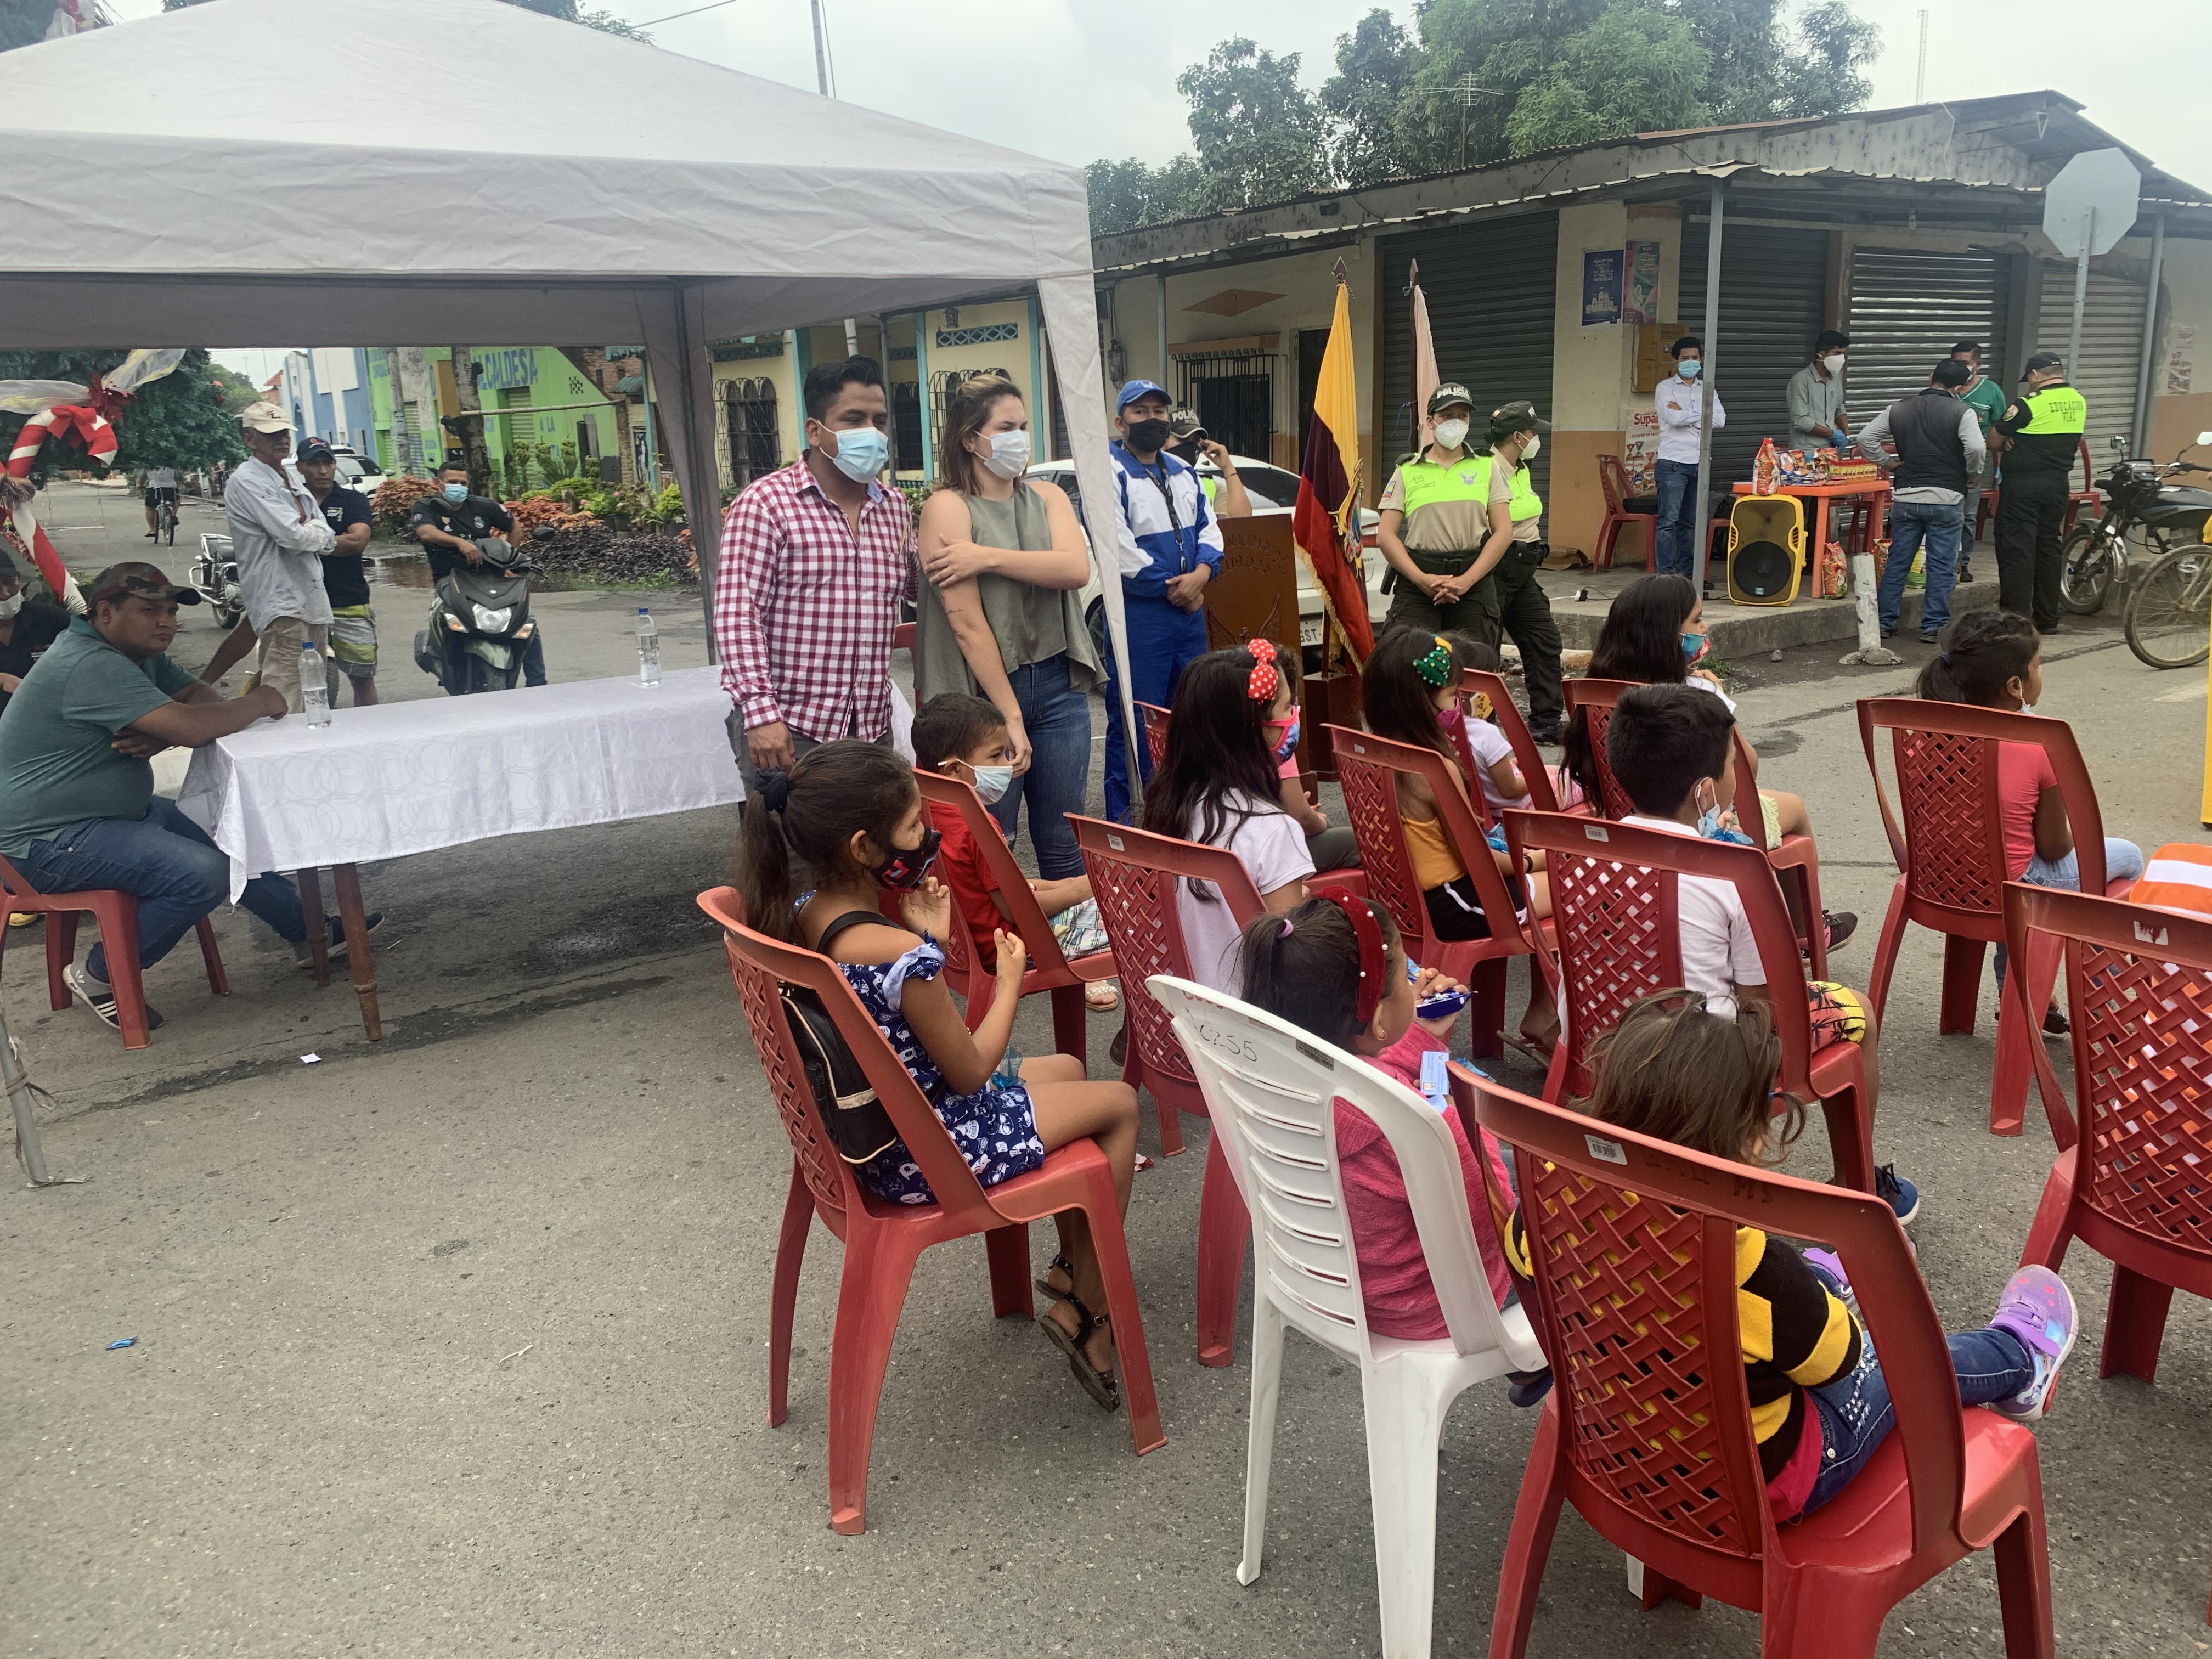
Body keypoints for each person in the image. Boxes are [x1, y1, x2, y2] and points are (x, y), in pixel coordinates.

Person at [1503, 990, 2076, 1523]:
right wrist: (1823, 1307)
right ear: (1748, 1137)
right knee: (1894, 1361)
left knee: (1780, 1325)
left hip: (1620, 1453)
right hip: (1761, 1485)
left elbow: (1520, 1263)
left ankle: (1825, 1282)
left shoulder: (1545, 1205)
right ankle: (2017, 1358)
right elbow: (1840, 1362)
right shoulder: (1751, 1267)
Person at [733, 739, 1139, 1408]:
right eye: (914, 827)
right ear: (862, 848)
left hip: (880, 1128)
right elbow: (972, 1071)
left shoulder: (803, 913)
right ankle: (1090, 1313)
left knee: (1070, 1067)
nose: (927, 839)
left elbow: (894, 1030)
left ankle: (1072, 1271)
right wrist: (1007, 982)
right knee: (1119, 1104)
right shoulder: (897, 954)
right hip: (933, 1148)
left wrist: (933, 941)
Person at [0, 563, 373, 1031]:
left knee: (228, 828)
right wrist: (260, 700)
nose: (166, 622)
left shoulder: (134, 654)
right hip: (46, 841)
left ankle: (310, 933)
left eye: (172, 612)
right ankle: (99, 974)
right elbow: (196, 726)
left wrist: (170, 730)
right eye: (149, 610)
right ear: (105, 612)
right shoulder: (89, 662)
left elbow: (196, 697)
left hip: (112, 815)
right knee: (202, 873)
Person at [1602, 683, 1911, 1221]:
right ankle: (1853, 1184)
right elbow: (1763, 1002)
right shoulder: (1732, 872)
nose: (1736, 776)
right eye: (1731, 766)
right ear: (1705, 792)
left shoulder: (1587, 853)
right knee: (1856, 1008)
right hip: (1708, 1061)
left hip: (1613, 1036)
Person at [1234, 889, 1523, 1329]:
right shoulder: (1421, 1122)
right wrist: (1466, 1118)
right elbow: (1491, 1221)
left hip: (1341, 1286)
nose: (1416, 983)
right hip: (1441, 1306)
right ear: (1379, 1020)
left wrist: (1425, 1038)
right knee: (1559, 1186)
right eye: (1406, 977)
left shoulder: (1271, 1078)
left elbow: (1381, 1074)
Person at [1561, 573, 1853, 950]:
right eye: (1697, 620)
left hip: (1625, 816)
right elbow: (1746, 768)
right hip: (1697, 821)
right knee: (1793, 807)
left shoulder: (1592, 688)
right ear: (1669, 635)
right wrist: (1718, 699)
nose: (1704, 628)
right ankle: (1807, 932)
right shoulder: (1698, 693)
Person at [913, 376, 1103, 885]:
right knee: (993, 842)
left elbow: (1074, 569)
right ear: (970, 438)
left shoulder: (1047, 496)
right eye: (1005, 428)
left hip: (1058, 683)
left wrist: (985, 557)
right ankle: (999, 936)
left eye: (1023, 426)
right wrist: (1009, 717)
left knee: (1064, 839)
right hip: (982, 696)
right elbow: (967, 624)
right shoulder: (946, 507)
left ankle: (1069, 935)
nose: (1020, 438)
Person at [1916, 610, 2145, 1028]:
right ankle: (2107, 1006)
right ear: (2014, 686)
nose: (2042, 672)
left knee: (2010, 870)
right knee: (2127, 856)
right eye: (2039, 665)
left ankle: (2019, 994)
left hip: (1941, 879)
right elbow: (2055, 848)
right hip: (2014, 886)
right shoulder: (2037, 743)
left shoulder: (1925, 733)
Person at [716, 357, 915, 798]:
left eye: (880, 420)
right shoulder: (766, 504)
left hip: (871, 731)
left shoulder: (894, 508)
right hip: (792, 733)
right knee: (792, 845)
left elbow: (917, 588)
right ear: (815, 431)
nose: (872, 432)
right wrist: (761, 714)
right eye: (854, 419)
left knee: (868, 843)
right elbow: (738, 615)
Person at [1361, 629, 1559, 1048]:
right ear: (1423, 701)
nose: (1456, 707)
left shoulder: (1373, 750)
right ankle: (1550, 1017)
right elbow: (1477, 863)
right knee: (1575, 886)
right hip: (1456, 901)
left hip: (1411, 899)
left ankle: (1541, 1016)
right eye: (1452, 696)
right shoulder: (1433, 767)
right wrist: (1538, 860)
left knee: (1559, 879)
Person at [908, 691, 1117, 1012]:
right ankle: (1143, 1034)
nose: (1008, 764)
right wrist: (1083, 890)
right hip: (1012, 948)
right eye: (996, 756)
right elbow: (1015, 908)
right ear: (953, 770)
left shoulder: (923, 811)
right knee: (1137, 918)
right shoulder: (975, 824)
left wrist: (1073, 884)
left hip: (963, 949)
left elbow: (993, 891)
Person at [1143, 642, 1316, 990]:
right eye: (1287, 707)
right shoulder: (1273, 830)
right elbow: (1288, 965)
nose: (1294, 716)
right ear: (1254, 729)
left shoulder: (1171, 810)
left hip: (1178, 1010)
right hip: (1249, 1016)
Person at [1101, 380, 1222, 822]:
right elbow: (1118, 551)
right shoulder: (1107, 473)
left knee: (1193, 717)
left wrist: (1202, 575)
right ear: (1121, 423)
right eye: (1140, 412)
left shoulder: (1184, 471)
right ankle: (1132, 825)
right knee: (1135, 726)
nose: (1152, 419)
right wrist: (1179, 590)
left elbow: (1210, 530)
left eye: (1158, 411)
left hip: (1188, 618)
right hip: (1142, 618)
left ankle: (1186, 818)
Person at [201, 439, 381, 704]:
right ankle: (199, 685)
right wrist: (309, 537)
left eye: (328, 463)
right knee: (251, 637)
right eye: (314, 464)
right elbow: (287, 536)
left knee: (362, 676)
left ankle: (370, 727)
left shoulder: (352, 500)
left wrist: (303, 539)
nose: (322, 470)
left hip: (347, 597)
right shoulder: (284, 498)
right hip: (290, 594)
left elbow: (357, 541)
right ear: (300, 467)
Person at [1857, 359, 1986, 645]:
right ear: (1959, 387)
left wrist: (1887, 463)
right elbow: (1976, 447)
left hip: (1906, 497)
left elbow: (1865, 438)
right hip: (1947, 498)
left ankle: (1885, 622)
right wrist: (1973, 472)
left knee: (1898, 561)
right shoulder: (1962, 411)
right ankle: (1933, 626)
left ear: (1931, 378)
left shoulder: (1898, 409)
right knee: (1941, 564)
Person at [222, 402, 333, 714]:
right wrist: (314, 530)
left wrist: (313, 531)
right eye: (271, 434)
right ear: (250, 440)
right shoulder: (248, 480)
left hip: (309, 597)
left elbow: (327, 538)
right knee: (286, 695)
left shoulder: (287, 476)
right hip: (280, 600)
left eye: (284, 432)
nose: (282, 439)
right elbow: (293, 537)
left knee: (314, 691)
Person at [1468, 400, 1565, 743]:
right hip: (1495, 571)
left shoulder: (1521, 467)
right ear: (1517, 437)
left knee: (1545, 641)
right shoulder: (1485, 468)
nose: (1536, 438)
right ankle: (1482, 728)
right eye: (1532, 432)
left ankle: (1546, 722)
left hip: (1523, 573)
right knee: (1485, 650)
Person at [408, 456, 546, 691]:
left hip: (491, 576)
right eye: (452, 482)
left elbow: (514, 526)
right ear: (437, 483)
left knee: (526, 622)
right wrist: (459, 542)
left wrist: (510, 561)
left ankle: (538, 683)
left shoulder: (484, 506)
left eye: (463, 483)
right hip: (450, 577)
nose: (459, 487)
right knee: (452, 620)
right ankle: (445, 661)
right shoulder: (426, 506)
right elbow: (426, 533)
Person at [1376, 383, 1493, 638]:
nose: (1456, 422)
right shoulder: (1408, 469)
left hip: (1472, 581)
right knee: (1406, 655)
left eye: (1463, 416)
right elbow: (1385, 535)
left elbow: (1504, 532)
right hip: (1418, 581)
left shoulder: (1487, 466)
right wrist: (1421, 580)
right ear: (1430, 422)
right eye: (1447, 416)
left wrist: (1466, 581)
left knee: (1474, 658)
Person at [1992, 353, 2087, 634]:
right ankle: (2047, 618)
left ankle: (2016, 622)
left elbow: (1993, 440)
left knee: (2017, 549)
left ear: (2034, 375)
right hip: (2057, 485)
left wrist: (2010, 438)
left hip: (2023, 487)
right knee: (2048, 548)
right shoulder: (2078, 400)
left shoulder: (2027, 403)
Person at [1652, 338, 1725, 585]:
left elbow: (1720, 420)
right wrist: (1702, 415)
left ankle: (1687, 575)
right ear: (1676, 361)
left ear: (1701, 360)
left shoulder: (1707, 389)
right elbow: (1674, 419)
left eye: (1695, 358)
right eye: (1685, 358)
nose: (1691, 362)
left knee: (1691, 524)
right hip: (1673, 464)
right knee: (1668, 523)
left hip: (1699, 464)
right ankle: (1665, 577)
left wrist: (1687, 414)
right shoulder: (1665, 388)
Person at [1951, 341, 2008, 583]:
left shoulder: (1991, 391)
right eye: (1955, 363)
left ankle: (1962, 564)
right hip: (1944, 462)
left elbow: (2002, 428)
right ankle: (1938, 562)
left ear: (1978, 364)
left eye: (1965, 364)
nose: (1960, 369)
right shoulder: (1945, 387)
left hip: (1973, 466)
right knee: (1943, 515)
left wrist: (2001, 469)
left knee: (1968, 517)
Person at [0, 556, 69, 718]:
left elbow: (91, 648)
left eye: (9, 583)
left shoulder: (50, 618)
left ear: (18, 577)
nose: (5, 594)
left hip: (51, 716)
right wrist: (3, 680)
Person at [1166, 407, 1253, 518]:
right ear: (1163, 441)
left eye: (1196, 441)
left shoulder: (1208, 486)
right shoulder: (1150, 483)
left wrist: (1227, 467)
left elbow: (1242, 519)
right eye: (1183, 439)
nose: (1190, 447)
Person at [1786, 330, 1853, 452]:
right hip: (1806, 451)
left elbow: (1839, 410)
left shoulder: (1835, 379)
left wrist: (1846, 435)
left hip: (1830, 449)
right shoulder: (1801, 380)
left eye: (1843, 354)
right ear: (1822, 354)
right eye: (1837, 353)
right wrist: (1832, 434)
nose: (1841, 359)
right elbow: (1800, 420)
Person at [140, 466, 179, 539]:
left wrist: (141, 486)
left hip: (155, 489)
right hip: (171, 488)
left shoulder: (148, 464)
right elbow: (177, 477)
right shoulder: (171, 463)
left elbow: (143, 476)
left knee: (150, 508)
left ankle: (152, 530)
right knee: (176, 501)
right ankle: (173, 515)